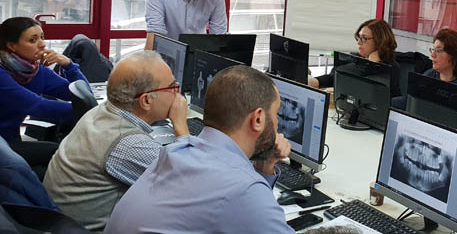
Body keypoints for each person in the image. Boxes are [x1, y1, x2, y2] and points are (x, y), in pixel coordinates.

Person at [104, 65, 295, 234]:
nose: (277, 124)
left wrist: (264, 168)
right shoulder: (244, 188)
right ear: (258, 118)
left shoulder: (177, 151)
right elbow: (247, 204)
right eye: (276, 114)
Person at [42, 51, 189, 231]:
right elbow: (191, 184)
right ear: (146, 100)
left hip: (62, 222)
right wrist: (181, 126)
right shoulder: (128, 144)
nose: (178, 93)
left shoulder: (101, 111)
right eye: (173, 86)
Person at [0, 17, 89, 143]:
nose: (42, 44)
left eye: (42, 37)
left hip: (10, 141)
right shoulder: (2, 73)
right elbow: (38, 106)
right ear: (12, 46)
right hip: (4, 143)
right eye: (33, 40)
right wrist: (91, 111)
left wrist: (69, 65)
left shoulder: (37, 71)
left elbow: (84, 95)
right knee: (58, 151)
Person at [309, 19, 401, 96]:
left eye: (364, 38)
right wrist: (316, 81)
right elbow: (334, 77)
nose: (358, 43)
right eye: (358, 37)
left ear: (379, 41)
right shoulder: (355, 59)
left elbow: (368, 93)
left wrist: (372, 64)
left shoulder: (391, 67)